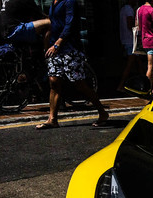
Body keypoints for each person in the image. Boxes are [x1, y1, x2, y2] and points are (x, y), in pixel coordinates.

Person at [36, 0, 108, 130]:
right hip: (54, 49)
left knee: (79, 84)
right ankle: (52, 119)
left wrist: (57, 44)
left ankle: (102, 112)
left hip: (69, 49)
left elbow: (69, 25)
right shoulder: (53, 3)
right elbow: (52, 25)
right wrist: (47, 44)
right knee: (53, 81)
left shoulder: (69, 2)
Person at [116, 0, 144, 92]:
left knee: (138, 61)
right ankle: (121, 85)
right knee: (130, 63)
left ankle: (145, 83)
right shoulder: (128, 9)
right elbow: (130, 25)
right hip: (131, 41)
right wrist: (140, 27)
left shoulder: (124, 9)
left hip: (128, 40)